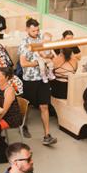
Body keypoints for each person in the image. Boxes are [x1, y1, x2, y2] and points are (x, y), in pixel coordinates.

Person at [18, 18, 57, 146]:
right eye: (33, 30)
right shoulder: (24, 43)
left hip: (43, 78)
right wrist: (36, 63)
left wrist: (48, 57)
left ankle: (47, 135)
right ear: (27, 29)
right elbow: (23, 63)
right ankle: (23, 125)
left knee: (44, 105)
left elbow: (49, 53)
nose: (36, 32)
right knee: (28, 105)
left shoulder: (42, 38)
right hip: (30, 79)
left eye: (37, 30)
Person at [50, 32, 79, 100]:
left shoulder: (56, 60)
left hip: (57, 91)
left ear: (61, 51)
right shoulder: (75, 61)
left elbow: (50, 74)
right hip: (69, 91)